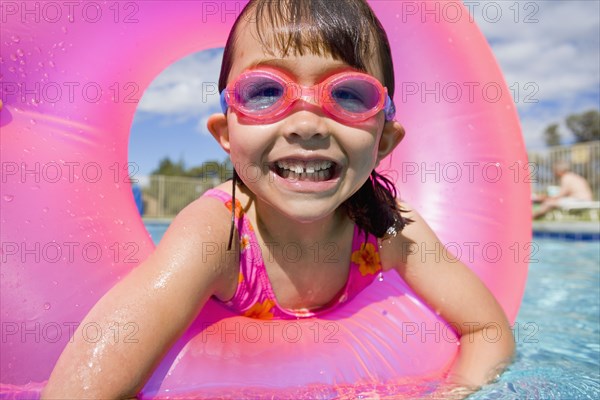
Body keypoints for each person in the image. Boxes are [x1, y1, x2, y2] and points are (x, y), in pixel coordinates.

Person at [42, 1, 514, 398]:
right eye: (266, 91)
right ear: (226, 134)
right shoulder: (218, 236)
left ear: (385, 141)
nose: (306, 124)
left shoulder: (388, 228)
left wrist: (457, 390)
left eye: (348, 94)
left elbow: (487, 331)